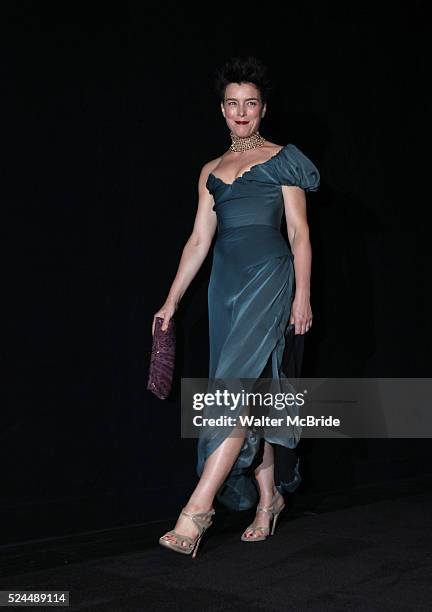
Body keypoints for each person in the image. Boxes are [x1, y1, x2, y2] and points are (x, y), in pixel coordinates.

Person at [153, 56, 320, 557]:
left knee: (233, 390)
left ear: (263, 109)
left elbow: (299, 232)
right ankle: (268, 500)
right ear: (222, 110)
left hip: (269, 278)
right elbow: (199, 241)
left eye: (251, 103)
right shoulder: (210, 170)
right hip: (223, 287)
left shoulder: (283, 158)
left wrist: (303, 295)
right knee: (252, 391)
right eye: (233, 103)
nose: (241, 111)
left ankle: (196, 511)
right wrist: (171, 301)